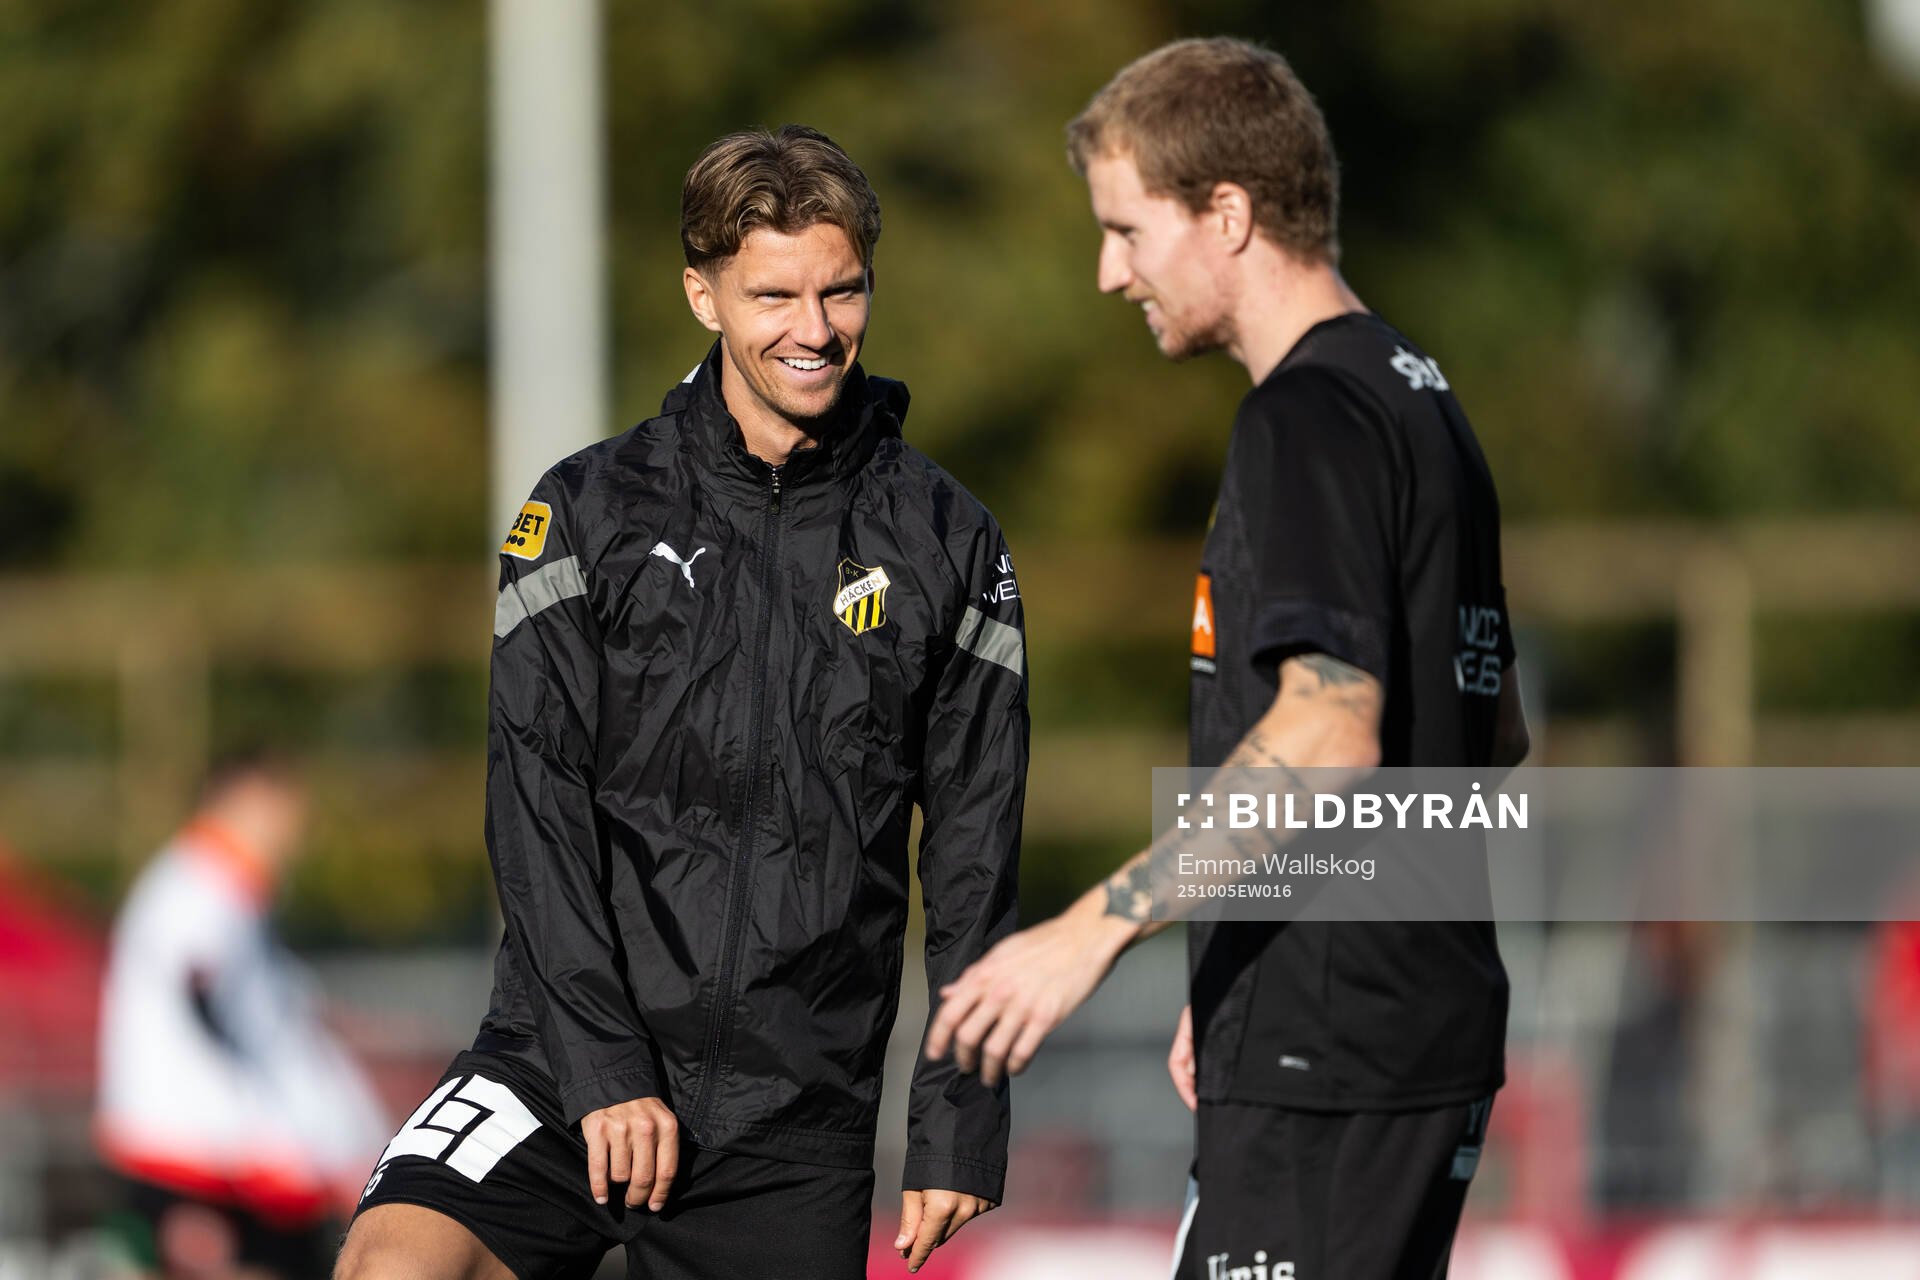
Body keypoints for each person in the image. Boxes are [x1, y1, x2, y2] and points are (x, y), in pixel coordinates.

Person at [338, 125, 1027, 1280]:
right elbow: (534, 805)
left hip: (790, 1118)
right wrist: (605, 1069)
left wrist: (960, 1117)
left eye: (841, 290)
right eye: (773, 294)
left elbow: (972, 856)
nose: (814, 329)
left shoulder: (950, 539)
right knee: (394, 1263)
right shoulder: (585, 510)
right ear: (702, 293)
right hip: (559, 1060)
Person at [926, 38, 1531, 1279]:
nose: (1110, 272)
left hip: (1333, 1053)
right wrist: (1249, 949)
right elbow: (1490, 724)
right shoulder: (1421, 396)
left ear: (1230, 214)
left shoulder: (1303, 417)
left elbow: (1330, 732)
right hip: (1396, 1024)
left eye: (1128, 229)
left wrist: (1089, 930)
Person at [96, 751, 388, 1280]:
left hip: (233, 1158)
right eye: (283, 811)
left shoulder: (235, 895)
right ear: (242, 802)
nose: (295, 830)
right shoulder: (198, 888)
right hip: (204, 1162)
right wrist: (283, 1126)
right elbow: (201, 992)